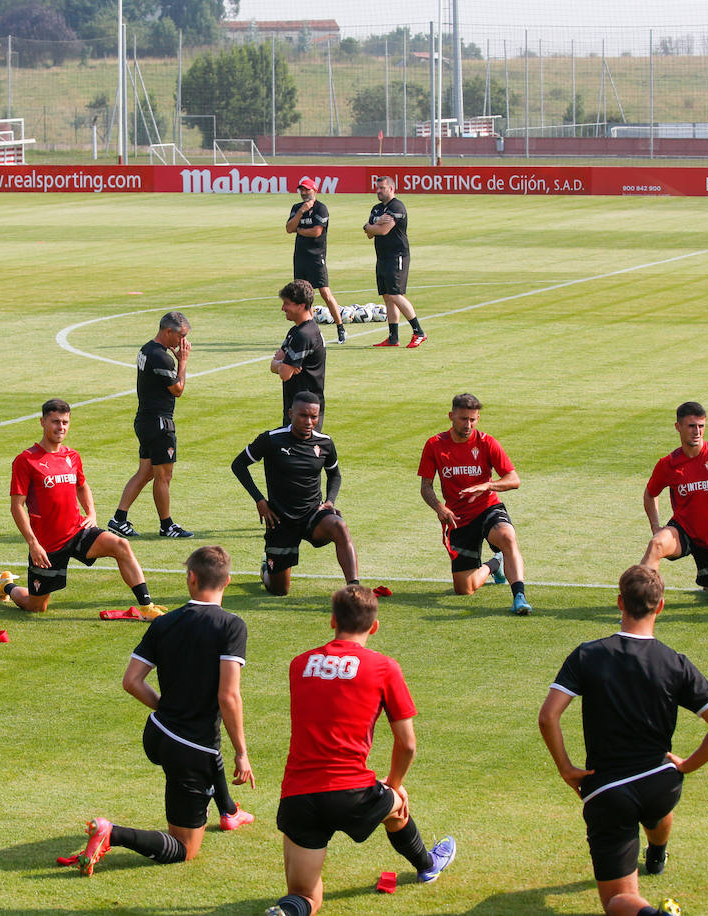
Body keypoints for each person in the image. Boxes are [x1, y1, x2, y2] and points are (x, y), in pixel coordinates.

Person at [538, 565, 708, 916]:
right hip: (661, 785)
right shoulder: (676, 663)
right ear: (660, 607)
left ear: (619, 603)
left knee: (617, 901)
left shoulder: (588, 655)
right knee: (655, 808)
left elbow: (548, 716)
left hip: (609, 792)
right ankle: (656, 854)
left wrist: (566, 768)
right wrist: (687, 765)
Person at [265, 586, 456, 916]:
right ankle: (426, 865)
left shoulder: (299, 665)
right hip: (352, 792)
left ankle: (286, 912)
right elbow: (407, 743)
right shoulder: (384, 668)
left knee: (304, 896)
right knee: (396, 805)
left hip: (299, 795)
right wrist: (394, 785)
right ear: (375, 626)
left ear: (332, 620)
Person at [74, 545, 252, 876]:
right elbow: (228, 696)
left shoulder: (163, 623)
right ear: (226, 581)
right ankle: (111, 832)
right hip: (188, 748)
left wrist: (164, 706)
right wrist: (242, 751)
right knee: (184, 847)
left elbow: (131, 681)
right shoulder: (231, 626)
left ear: (191, 578)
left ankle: (229, 811)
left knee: (206, 745)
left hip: (157, 733)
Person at [0, 399, 164, 618]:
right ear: (42, 422)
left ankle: (146, 607)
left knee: (121, 545)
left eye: (65, 422)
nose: (61, 427)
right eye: (55, 421)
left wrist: (91, 513)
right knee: (36, 606)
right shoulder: (26, 460)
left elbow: (82, 486)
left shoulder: (72, 456)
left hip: (77, 532)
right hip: (48, 546)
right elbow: (16, 506)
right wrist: (33, 544)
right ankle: (7, 586)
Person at [231, 393, 357, 597]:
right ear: (291, 413)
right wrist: (260, 500)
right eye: (303, 416)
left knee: (340, 526)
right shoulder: (271, 439)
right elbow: (238, 465)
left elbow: (334, 474)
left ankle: (354, 589)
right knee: (280, 590)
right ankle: (267, 570)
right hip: (280, 519)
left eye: (314, 417)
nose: (309, 422)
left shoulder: (325, 443)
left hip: (312, 515)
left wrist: (330, 501)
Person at [418, 393, 531, 615]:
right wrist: (440, 508)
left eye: (473, 419)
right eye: (463, 419)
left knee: (507, 536)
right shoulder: (435, 445)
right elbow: (426, 487)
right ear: (451, 416)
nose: (468, 424)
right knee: (464, 589)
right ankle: (495, 563)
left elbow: (513, 479)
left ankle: (519, 596)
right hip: (458, 518)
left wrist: (488, 486)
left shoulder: (487, 443)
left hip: (487, 508)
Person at [640, 401, 708, 606]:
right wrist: (655, 527)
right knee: (656, 544)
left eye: (701, 426)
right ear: (678, 427)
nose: (697, 431)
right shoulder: (668, 464)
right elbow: (650, 494)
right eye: (691, 426)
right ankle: (639, 606)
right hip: (683, 530)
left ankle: (707, 584)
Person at [108, 311, 194, 540]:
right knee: (163, 476)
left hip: (145, 420)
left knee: (145, 472)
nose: (183, 342)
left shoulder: (147, 349)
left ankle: (118, 519)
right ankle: (167, 525)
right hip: (159, 423)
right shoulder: (162, 357)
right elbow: (178, 390)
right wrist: (182, 361)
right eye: (181, 336)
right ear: (168, 331)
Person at [363, 177, 427, 348]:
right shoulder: (377, 209)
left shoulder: (397, 206)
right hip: (382, 256)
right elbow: (369, 232)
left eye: (382, 188)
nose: (378, 191)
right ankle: (393, 338)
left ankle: (419, 332)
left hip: (396, 256)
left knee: (395, 294)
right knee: (387, 296)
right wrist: (374, 224)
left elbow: (383, 230)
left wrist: (372, 226)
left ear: (391, 188)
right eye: (377, 188)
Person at [286, 177, 346, 345]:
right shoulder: (297, 208)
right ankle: (310, 331)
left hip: (316, 257)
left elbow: (316, 232)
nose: (304, 193)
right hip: (300, 257)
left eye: (307, 189)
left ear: (314, 190)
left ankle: (340, 327)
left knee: (325, 292)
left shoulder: (321, 209)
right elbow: (289, 228)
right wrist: (300, 213)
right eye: (301, 190)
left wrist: (299, 229)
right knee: (303, 295)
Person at [270, 280, 326, 430]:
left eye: (287, 303)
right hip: (297, 409)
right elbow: (275, 365)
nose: (283, 308)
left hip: (305, 413)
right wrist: (281, 364)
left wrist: (281, 365)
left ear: (301, 305)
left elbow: (284, 374)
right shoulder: (296, 331)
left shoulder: (304, 335)